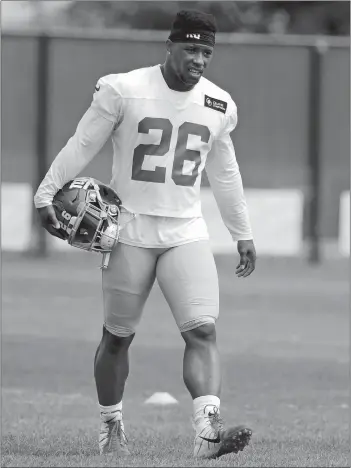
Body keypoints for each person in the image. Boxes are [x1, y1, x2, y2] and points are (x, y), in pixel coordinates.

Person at [34, 9, 257, 460]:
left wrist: (242, 231)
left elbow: (225, 172)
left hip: (185, 231)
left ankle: (206, 432)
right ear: (169, 46)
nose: (199, 59)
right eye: (191, 49)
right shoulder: (125, 89)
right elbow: (83, 143)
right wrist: (45, 193)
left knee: (203, 330)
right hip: (129, 230)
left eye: (207, 52)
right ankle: (111, 424)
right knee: (117, 337)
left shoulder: (218, 103)